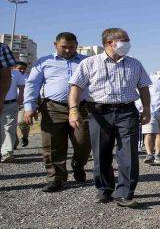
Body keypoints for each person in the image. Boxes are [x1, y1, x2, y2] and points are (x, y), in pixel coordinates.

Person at [68, 28, 152, 207]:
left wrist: (146, 109)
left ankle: (125, 193)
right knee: (101, 152)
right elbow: (75, 88)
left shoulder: (135, 64)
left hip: (127, 111)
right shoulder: (89, 63)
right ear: (109, 43)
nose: (128, 43)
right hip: (99, 112)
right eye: (124, 40)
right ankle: (104, 190)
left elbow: (144, 87)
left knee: (128, 152)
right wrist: (73, 110)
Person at [23, 33, 92, 192]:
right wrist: (29, 107)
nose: (68, 50)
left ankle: (78, 164)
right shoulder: (44, 62)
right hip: (53, 108)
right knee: (53, 145)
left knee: (83, 143)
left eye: (71, 47)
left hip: (81, 108)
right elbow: (32, 85)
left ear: (77, 45)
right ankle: (56, 178)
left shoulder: (86, 62)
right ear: (55, 45)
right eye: (64, 47)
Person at [141, 60, 160, 165]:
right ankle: (149, 154)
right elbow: (142, 92)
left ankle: (158, 155)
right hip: (151, 110)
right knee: (149, 132)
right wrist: (142, 109)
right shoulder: (151, 78)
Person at [0, 60, 25, 162]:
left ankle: (7, 153)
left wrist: (20, 96)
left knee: (8, 128)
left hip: (10, 104)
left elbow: (22, 86)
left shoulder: (16, 73)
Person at [13, 62, 30, 148]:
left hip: (24, 104)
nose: (22, 70)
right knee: (11, 125)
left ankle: (25, 137)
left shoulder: (28, 78)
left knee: (21, 121)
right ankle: (13, 142)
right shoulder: (10, 77)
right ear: (14, 68)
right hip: (11, 103)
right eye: (20, 68)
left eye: (24, 69)